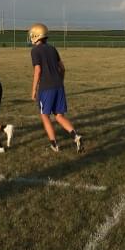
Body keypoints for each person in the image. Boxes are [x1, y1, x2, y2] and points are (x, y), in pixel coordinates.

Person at [28, 23, 83, 153]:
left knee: (45, 115)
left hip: (46, 88)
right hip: (58, 86)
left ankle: (54, 144)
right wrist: (60, 80)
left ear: (36, 35)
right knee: (59, 116)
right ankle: (75, 136)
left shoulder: (35, 51)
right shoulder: (52, 49)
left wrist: (34, 89)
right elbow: (62, 68)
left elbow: (38, 69)